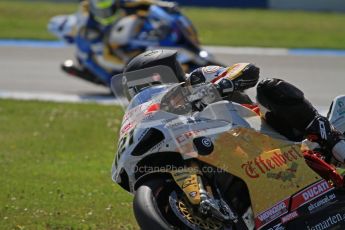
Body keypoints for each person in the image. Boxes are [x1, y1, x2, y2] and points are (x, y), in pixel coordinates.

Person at [122, 49, 345, 163]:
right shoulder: (152, 115)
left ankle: (331, 138)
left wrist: (223, 84)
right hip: (230, 152)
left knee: (271, 88)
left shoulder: (197, 79)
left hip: (266, 131)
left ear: (157, 77)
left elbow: (246, 69)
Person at [71, 0, 179, 85]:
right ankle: (110, 82)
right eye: (101, 12)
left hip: (111, 32)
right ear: (93, 9)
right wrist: (127, 64)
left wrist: (163, 5)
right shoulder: (88, 27)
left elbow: (141, 2)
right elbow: (104, 57)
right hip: (91, 50)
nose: (105, 15)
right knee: (111, 77)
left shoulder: (118, 2)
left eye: (108, 10)